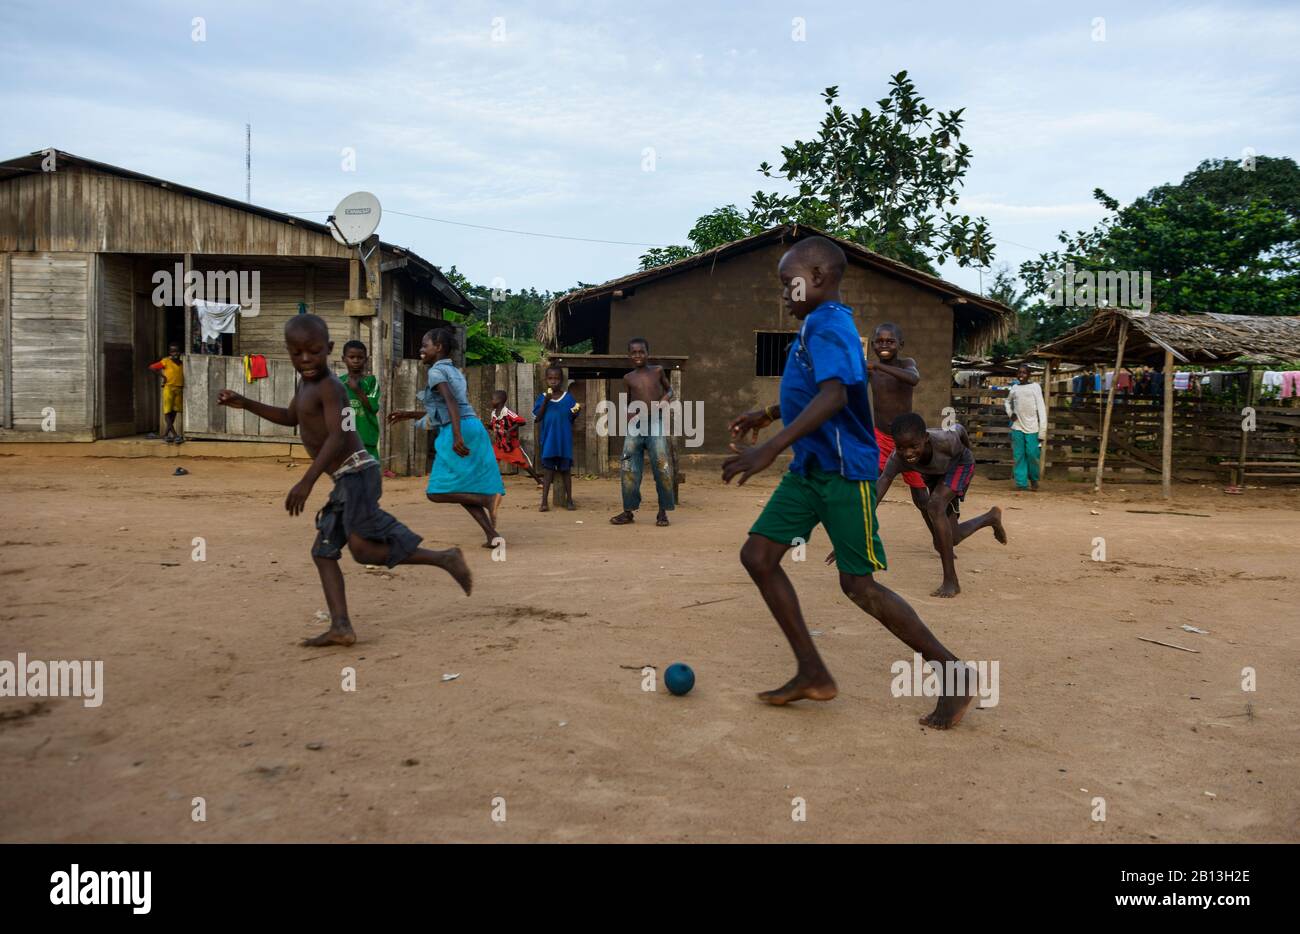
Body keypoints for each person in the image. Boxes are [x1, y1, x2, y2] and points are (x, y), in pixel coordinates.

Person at [723, 236, 978, 728]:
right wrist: (768, 413)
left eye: (787, 283)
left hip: (844, 474)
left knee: (859, 585)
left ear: (817, 279)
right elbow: (827, 388)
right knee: (757, 556)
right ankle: (812, 671)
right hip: (809, 472)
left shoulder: (831, 324)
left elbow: (837, 395)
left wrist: (771, 446)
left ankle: (954, 673)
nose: (783, 293)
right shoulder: (818, 326)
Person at [216, 315, 471, 648]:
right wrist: (245, 402)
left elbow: (338, 436)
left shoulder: (330, 387)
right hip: (345, 478)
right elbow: (291, 417)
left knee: (364, 550)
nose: (305, 359)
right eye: (297, 353)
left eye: (313, 351)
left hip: (358, 473)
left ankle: (444, 558)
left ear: (329, 350)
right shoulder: (306, 385)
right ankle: (341, 627)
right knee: (324, 552)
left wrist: (306, 482)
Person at [388, 328, 505, 546]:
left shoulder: (435, 372)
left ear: (438, 348)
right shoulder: (455, 372)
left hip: (457, 429)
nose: (421, 350)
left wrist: (456, 436)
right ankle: (492, 535)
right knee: (459, 489)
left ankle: (488, 499)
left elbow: (451, 402)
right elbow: (446, 408)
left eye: (425, 345)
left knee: (436, 492)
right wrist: (409, 414)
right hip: (471, 426)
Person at [876, 414, 1006, 598]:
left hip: (960, 464)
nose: (908, 453)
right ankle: (990, 517)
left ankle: (951, 580)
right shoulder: (897, 458)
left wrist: (968, 456)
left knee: (935, 506)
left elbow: (960, 430)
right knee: (952, 538)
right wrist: (857, 528)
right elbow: (880, 487)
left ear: (926, 439)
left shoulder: (945, 440)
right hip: (935, 475)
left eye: (914, 446)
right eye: (901, 447)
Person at [866, 323, 930, 520]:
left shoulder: (906, 364)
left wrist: (878, 366)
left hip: (907, 443)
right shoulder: (870, 371)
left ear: (900, 345)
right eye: (879, 341)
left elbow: (914, 379)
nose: (884, 345)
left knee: (921, 498)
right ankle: (850, 544)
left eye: (890, 341)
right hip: (880, 439)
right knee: (871, 493)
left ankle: (942, 541)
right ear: (872, 345)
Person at [609, 338, 675, 527]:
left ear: (648, 353)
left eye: (641, 352)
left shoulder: (657, 371)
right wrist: (629, 417)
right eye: (634, 352)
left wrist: (664, 400)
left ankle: (663, 511)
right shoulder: (628, 378)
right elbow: (629, 401)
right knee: (629, 466)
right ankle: (628, 511)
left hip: (655, 422)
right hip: (636, 424)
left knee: (661, 465)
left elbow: (670, 391)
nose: (638, 355)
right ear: (629, 355)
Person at [533, 365, 581, 512]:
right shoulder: (542, 398)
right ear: (546, 380)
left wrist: (577, 411)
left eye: (556, 379)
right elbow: (537, 418)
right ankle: (544, 502)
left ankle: (570, 500)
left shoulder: (568, 398)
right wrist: (546, 401)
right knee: (548, 472)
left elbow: (572, 417)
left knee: (566, 471)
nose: (553, 381)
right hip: (549, 441)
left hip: (564, 440)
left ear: (561, 380)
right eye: (550, 378)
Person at [1004, 363, 1047, 492]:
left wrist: (1042, 432)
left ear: (1029, 374)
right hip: (1017, 427)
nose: (1021, 375)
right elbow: (1007, 401)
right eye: (1019, 372)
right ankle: (1021, 483)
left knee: (1032, 454)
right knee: (1019, 455)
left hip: (1032, 427)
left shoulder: (1035, 387)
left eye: (1024, 372)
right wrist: (1010, 413)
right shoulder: (1015, 388)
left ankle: (1033, 479)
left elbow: (1041, 409)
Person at [489, 389, 542, 485]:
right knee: (491, 461)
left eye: (492, 399)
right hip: (499, 445)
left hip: (510, 446)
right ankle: (496, 482)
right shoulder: (493, 413)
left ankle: (539, 481)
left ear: (499, 400)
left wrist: (509, 431)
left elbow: (522, 421)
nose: (491, 401)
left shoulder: (508, 413)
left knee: (523, 463)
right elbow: (494, 425)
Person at [340, 340, 381, 464]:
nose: (356, 361)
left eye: (360, 357)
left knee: (370, 477)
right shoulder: (338, 383)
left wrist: (357, 390)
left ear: (366, 359)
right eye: (351, 357)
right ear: (344, 359)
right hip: (345, 441)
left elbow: (373, 407)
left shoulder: (371, 381)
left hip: (367, 439)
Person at [147, 342, 185, 443]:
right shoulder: (166, 361)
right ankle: (175, 434)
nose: (175, 353)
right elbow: (152, 367)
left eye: (177, 351)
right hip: (169, 388)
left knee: (175, 411)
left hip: (179, 389)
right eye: (173, 351)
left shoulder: (182, 363)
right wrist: (163, 377)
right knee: (168, 412)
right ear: (170, 353)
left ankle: (165, 434)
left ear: (180, 352)